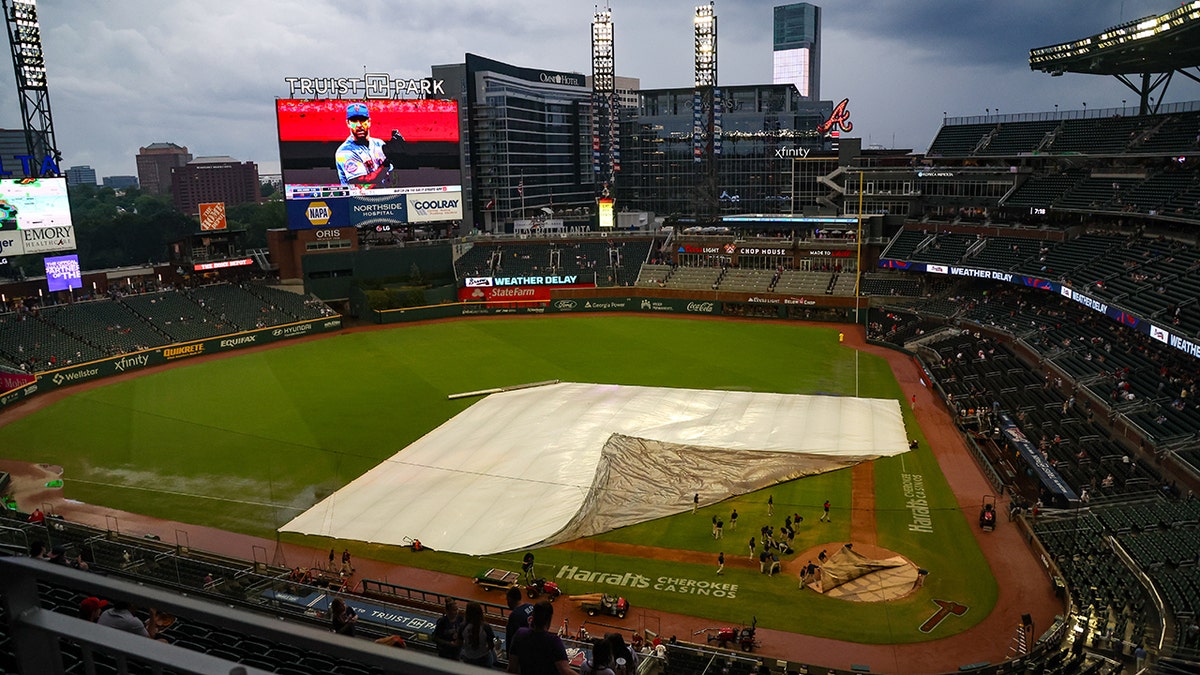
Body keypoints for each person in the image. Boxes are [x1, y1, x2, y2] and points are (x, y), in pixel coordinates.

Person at [507, 600, 573, 675]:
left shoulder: (520, 634)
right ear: (549, 620)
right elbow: (565, 671)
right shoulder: (554, 641)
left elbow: (512, 668)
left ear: (533, 617)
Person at [336, 102, 390, 188]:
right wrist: (387, 163)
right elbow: (363, 184)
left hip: (385, 199)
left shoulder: (380, 144)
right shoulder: (344, 152)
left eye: (362, 120)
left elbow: (392, 177)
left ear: (369, 122)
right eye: (354, 121)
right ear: (348, 123)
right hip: (356, 200)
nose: (359, 125)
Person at [459, 601, 497, 668]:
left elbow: (459, 643)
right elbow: (491, 645)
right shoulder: (485, 626)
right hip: (484, 657)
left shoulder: (463, 626)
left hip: (468, 657)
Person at [505, 586, 534, 659]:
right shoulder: (531, 606)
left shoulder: (514, 615)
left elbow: (511, 638)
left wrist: (509, 656)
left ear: (510, 599)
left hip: (523, 652)